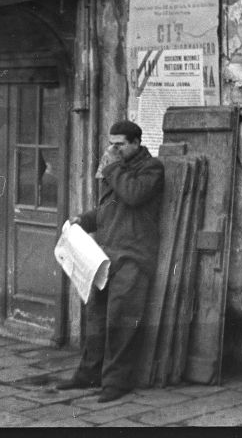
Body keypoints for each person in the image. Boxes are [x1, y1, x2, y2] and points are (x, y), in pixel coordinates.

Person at [57, 119, 164, 403]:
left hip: (133, 256)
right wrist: (84, 220)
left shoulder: (152, 169)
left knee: (121, 322)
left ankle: (117, 382)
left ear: (136, 143)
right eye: (111, 144)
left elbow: (133, 196)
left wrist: (112, 167)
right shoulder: (118, 170)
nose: (114, 150)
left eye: (120, 145)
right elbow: (109, 209)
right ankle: (89, 374)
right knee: (96, 318)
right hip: (106, 256)